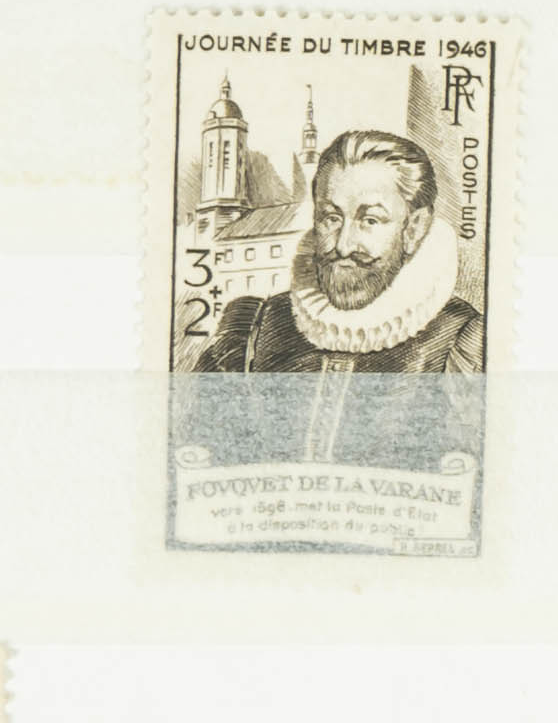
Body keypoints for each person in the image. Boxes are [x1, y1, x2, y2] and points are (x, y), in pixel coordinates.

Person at [181, 127, 484, 478]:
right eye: (331, 218)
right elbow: (195, 461)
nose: (342, 245)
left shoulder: (460, 340)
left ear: (414, 227)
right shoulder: (257, 326)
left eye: (370, 220)